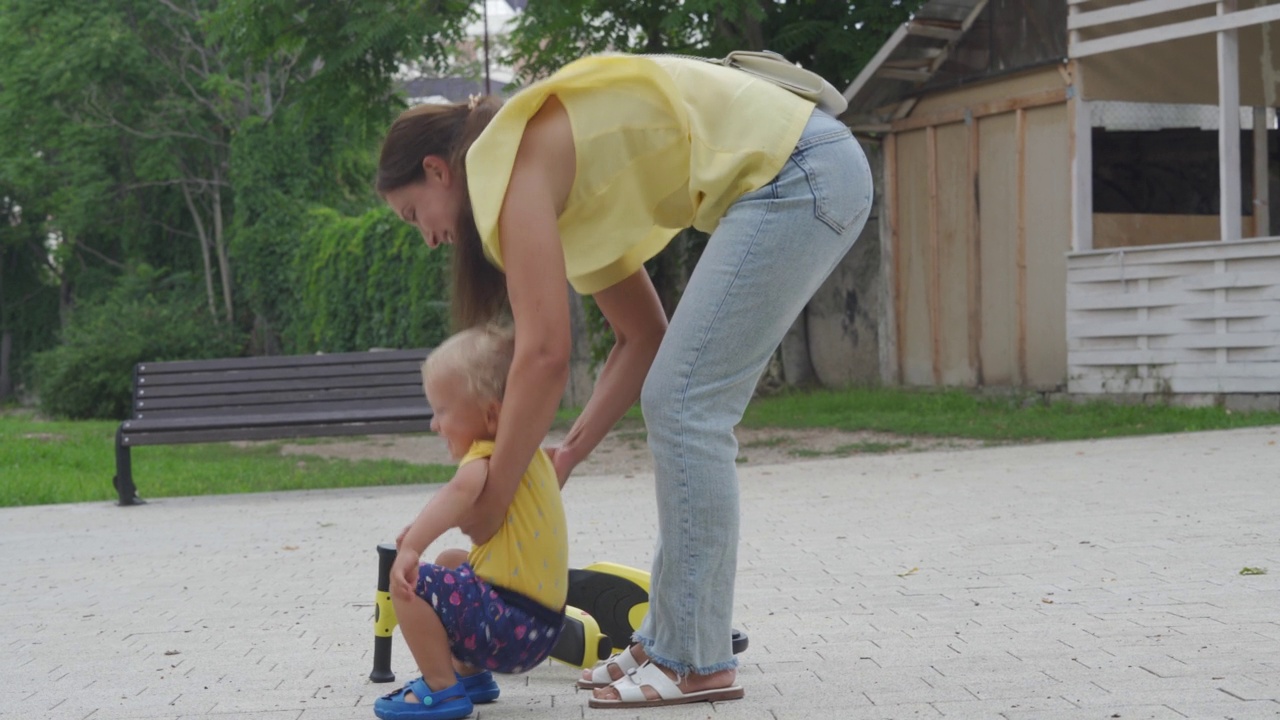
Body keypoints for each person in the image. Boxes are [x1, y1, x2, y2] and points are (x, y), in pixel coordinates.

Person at [377, 52, 873, 709]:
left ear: (438, 171)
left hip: (799, 173)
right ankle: (668, 637)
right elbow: (642, 336)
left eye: (415, 215)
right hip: (806, 169)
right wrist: (569, 453)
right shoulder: (558, 186)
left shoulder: (509, 163)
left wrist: (495, 497)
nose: (429, 240)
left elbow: (545, 353)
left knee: (686, 403)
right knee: (679, 395)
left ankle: (694, 660)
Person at [375, 324, 569, 720]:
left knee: (412, 585)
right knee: (451, 561)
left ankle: (441, 688)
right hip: (541, 626)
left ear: (491, 415)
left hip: (508, 624)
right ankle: (471, 675)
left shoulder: (485, 453)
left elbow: (460, 492)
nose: (434, 424)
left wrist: (412, 545)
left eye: (442, 411)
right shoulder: (528, 454)